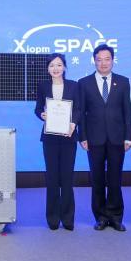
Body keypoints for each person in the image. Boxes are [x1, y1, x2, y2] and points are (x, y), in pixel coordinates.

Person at [78, 44, 131, 231]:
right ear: (94, 61)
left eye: (107, 59)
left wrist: (129, 136)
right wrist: (82, 136)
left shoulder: (123, 82)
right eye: (99, 59)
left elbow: (128, 111)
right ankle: (101, 217)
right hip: (94, 139)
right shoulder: (84, 83)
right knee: (97, 179)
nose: (103, 63)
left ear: (113, 60)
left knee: (115, 179)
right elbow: (81, 112)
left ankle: (116, 217)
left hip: (117, 138)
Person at [34, 53, 80, 230]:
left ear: (65, 67)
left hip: (69, 137)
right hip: (50, 138)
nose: (55, 68)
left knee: (67, 178)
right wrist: (42, 115)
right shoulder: (43, 86)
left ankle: (68, 219)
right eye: (52, 65)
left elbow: (78, 109)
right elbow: (38, 108)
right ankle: (53, 219)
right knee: (52, 178)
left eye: (59, 65)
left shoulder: (74, 86)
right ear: (48, 68)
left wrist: (73, 124)